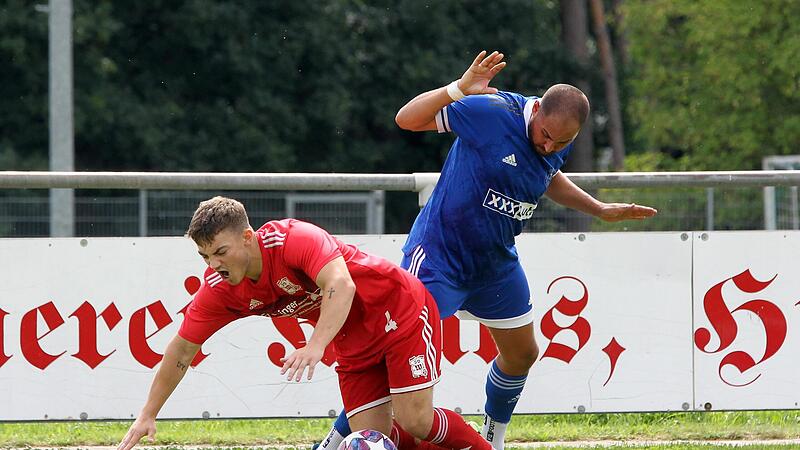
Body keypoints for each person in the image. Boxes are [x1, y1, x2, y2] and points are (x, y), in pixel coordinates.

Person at [320, 50, 658, 450]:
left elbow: (547, 175)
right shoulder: (492, 112)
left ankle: (493, 437)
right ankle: (336, 438)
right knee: (390, 356)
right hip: (440, 258)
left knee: (522, 354)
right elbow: (405, 119)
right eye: (545, 136)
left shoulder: (555, 141)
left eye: (561, 142)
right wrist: (457, 89)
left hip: (495, 265)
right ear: (535, 114)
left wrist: (599, 209)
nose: (549, 146)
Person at [116, 196, 492, 450]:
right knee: (371, 438)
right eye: (204, 255)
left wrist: (315, 346)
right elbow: (182, 350)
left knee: (417, 421)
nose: (212, 264)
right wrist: (148, 413)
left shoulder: (293, 238)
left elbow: (341, 285)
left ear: (248, 238)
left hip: (398, 308)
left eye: (220, 252)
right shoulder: (221, 290)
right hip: (351, 338)